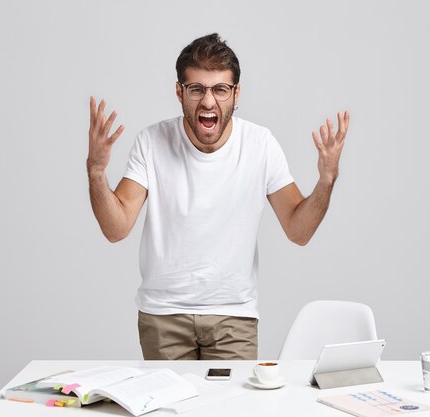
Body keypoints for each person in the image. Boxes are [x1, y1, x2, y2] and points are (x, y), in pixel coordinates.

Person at [87, 33, 349, 360]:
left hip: (234, 317)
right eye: (196, 89)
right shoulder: (152, 142)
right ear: (179, 92)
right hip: (163, 316)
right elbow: (116, 228)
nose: (208, 102)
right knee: (171, 411)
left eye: (220, 89)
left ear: (236, 94)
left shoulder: (260, 144)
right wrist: (96, 172)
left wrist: (326, 179)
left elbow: (299, 231)